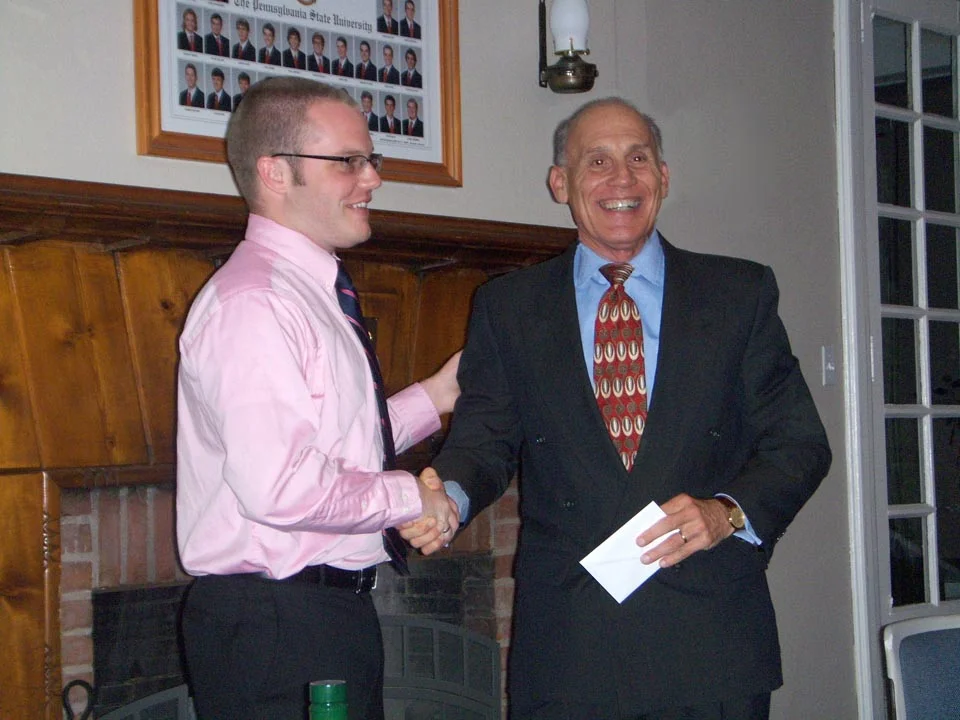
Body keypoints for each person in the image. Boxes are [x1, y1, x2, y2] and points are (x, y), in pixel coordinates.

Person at [413, 98, 832, 719]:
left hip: (710, 646)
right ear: (561, 182)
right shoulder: (508, 307)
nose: (621, 179)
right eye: (597, 161)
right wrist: (447, 494)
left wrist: (726, 512)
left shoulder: (739, 294)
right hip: (570, 649)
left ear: (663, 176)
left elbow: (799, 442)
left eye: (638, 158)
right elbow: (486, 440)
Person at [177, 77, 461, 720]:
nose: (372, 179)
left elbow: (330, 446)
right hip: (279, 628)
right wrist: (412, 495)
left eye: (371, 160)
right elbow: (280, 486)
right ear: (275, 172)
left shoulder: (305, 291)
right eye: (347, 161)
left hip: (316, 618)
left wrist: (439, 394)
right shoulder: (257, 304)